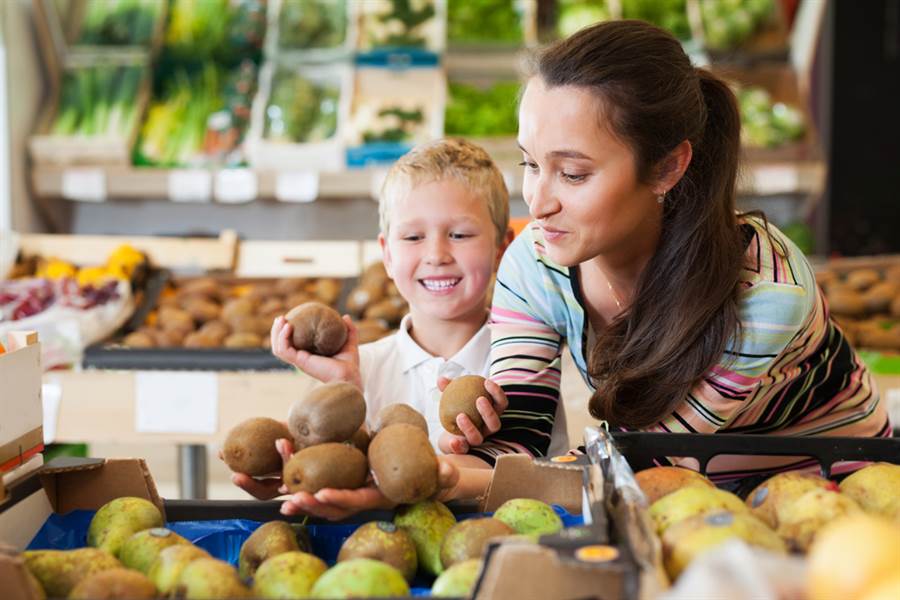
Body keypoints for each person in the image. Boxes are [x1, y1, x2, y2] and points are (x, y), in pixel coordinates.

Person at [452, 20, 889, 481]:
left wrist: (467, 478)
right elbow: (518, 441)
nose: (538, 203)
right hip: (686, 497)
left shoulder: (765, 292)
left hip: (838, 490)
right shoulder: (536, 262)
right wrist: (468, 447)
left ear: (666, 168)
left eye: (574, 174)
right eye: (530, 163)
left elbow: (644, 460)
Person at [229, 138, 569, 517]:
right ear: (387, 255)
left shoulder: (527, 363)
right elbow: (323, 467)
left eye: (459, 234)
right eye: (412, 237)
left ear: (503, 248)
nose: (437, 255)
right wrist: (337, 400)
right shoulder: (363, 369)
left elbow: (550, 483)